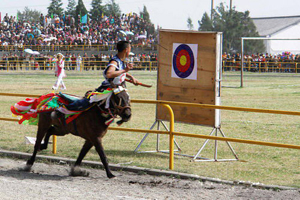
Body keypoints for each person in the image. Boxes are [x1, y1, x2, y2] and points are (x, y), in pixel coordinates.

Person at [63, 41, 138, 111]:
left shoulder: (121, 61)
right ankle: (65, 108)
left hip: (118, 90)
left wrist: (131, 77)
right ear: (126, 50)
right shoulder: (115, 61)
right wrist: (125, 70)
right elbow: (109, 74)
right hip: (108, 89)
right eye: (130, 49)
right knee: (87, 103)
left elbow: (119, 71)